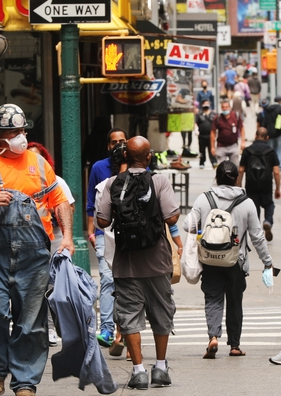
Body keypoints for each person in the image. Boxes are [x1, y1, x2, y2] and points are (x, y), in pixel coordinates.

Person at [0, 103, 73, 396]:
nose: (20, 136)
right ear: (0, 137)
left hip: (34, 257)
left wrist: (67, 236)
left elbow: (59, 201)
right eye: (14, 131)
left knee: (31, 320)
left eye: (22, 130)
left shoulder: (39, 164)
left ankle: (25, 382)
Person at [96, 137, 181, 390]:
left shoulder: (112, 183)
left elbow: (101, 221)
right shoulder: (159, 181)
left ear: (125, 157)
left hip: (126, 261)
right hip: (157, 262)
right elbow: (172, 215)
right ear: (148, 157)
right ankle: (161, 368)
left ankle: (139, 371)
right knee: (161, 312)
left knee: (130, 315)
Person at [183, 161, 274, 359]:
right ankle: (234, 345)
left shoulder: (203, 199)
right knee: (235, 301)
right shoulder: (247, 203)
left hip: (210, 259)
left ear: (216, 177)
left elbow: (186, 225)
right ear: (237, 178)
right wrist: (267, 262)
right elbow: (257, 236)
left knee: (213, 298)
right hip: (236, 261)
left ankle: (213, 336)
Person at [27, 142, 75, 347]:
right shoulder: (21, 181)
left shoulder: (56, 181)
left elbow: (68, 207)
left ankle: (53, 328)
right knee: (33, 285)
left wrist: (66, 236)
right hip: (27, 238)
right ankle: (39, 327)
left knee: (51, 285)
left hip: (52, 237)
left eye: (39, 157)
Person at [86, 128, 126, 348]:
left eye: (122, 141)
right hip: (104, 232)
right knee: (108, 279)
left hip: (131, 234)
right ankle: (108, 330)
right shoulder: (98, 168)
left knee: (128, 282)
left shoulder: (139, 166)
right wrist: (91, 232)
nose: (118, 145)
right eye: (114, 142)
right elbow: (91, 202)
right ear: (108, 146)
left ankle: (127, 329)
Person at [236, 127, 281, 241]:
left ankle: (257, 233)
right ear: (267, 138)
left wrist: (238, 185)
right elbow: (276, 172)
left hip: (251, 184)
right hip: (266, 184)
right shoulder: (271, 151)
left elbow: (241, 170)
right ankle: (268, 221)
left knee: (254, 208)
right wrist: (277, 189)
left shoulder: (247, 151)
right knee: (269, 204)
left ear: (255, 136)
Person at [211, 99, 245, 166]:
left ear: (230, 107)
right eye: (223, 107)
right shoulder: (218, 118)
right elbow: (213, 132)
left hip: (233, 145)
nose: (225, 109)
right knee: (221, 168)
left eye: (226, 107)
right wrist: (212, 147)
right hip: (221, 146)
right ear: (221, 108)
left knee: (235, 167)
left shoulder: (236, 116)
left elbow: (242, 128)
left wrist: (243, 142)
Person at [261, 96, 281, 169]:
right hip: (280, 133)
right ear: (280, 101)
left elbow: (264, 122)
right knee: (280, 150)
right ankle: (278, 167)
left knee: (270, 150)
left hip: (270, 134)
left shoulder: (268, 109)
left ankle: (270, 165)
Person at [196, 101, 217, 169]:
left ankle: (214, 162)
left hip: (210, 135)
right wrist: (196, 129)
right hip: (202, 135)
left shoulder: (213, 114)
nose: (206, 105)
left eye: (207, 103)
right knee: (202, 150)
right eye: (204, 104)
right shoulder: (199, 114)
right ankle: (202, 162)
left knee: (211, 149)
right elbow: (196, 123)